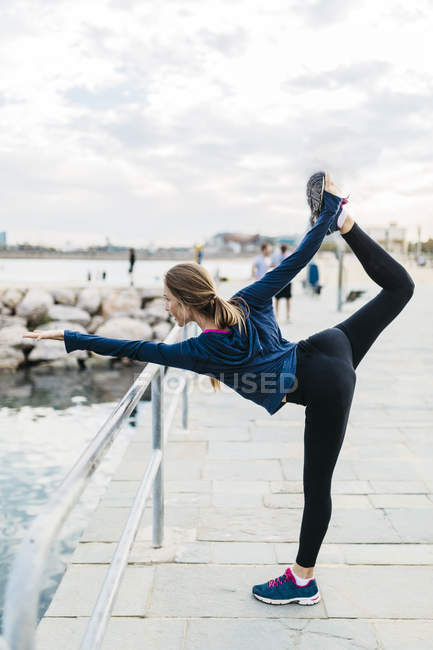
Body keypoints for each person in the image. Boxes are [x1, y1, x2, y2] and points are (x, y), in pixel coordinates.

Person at [23, 172, 415, 607]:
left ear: (186, 303)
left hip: (323, 382)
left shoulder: (200, 351)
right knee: (401, 287)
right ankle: (344, 220)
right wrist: (324, 221)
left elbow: (134, 347)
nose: (165, 307)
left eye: (168, 300)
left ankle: (303, 581)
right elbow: (299, 259)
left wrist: (71, 338)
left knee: (316, 485)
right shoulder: (246, 300)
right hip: (328, 346)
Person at [271, 244, 293, 321]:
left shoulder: (289, 254)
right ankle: (276, 315)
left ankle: (288, 315)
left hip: (287, 280)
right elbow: (272, 264)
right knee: (277, 299)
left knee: (288, 298)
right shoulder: (276, 255)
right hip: (279, 279)